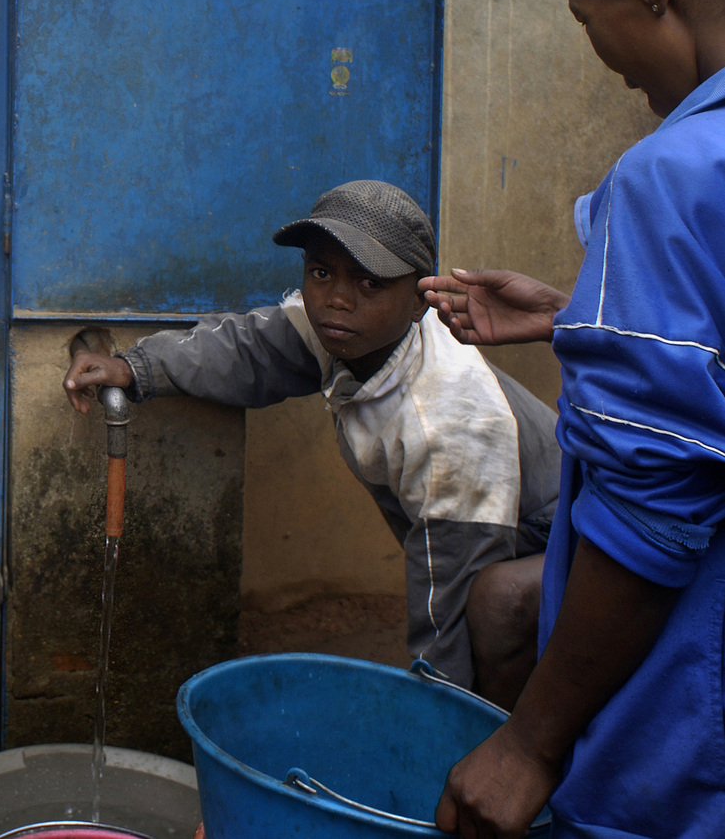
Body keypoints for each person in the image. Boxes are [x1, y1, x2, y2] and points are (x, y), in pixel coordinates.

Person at [424, 0, 725, 839]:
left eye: (582, 17)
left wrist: (529, 740)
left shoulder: (672, 172)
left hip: (684, 737)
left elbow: (656, 499)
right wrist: (575, 316)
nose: (600, 61)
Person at [64, 181, 560, 708]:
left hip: (561, 539)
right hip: (486, 529)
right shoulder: (345, 330)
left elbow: (450, 603)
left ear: (420, 302)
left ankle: (506, 748)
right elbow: (247, 350)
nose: (336, 299)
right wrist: (132, 367)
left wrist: (431, 730)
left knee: (489, 611)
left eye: (369, 283)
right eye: (321, 273)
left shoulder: (449, 423)